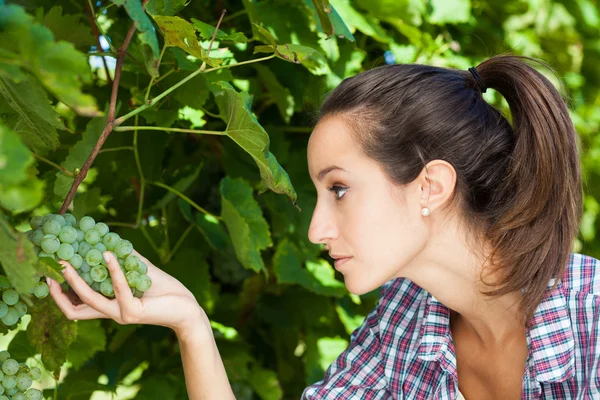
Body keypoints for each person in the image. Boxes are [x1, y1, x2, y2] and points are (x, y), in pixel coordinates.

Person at [47, 54, 600, 399]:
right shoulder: (406, 323)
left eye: (338, 189)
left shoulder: (592, 317)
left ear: (430, 186)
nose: (315, 230)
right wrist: (191, 324)